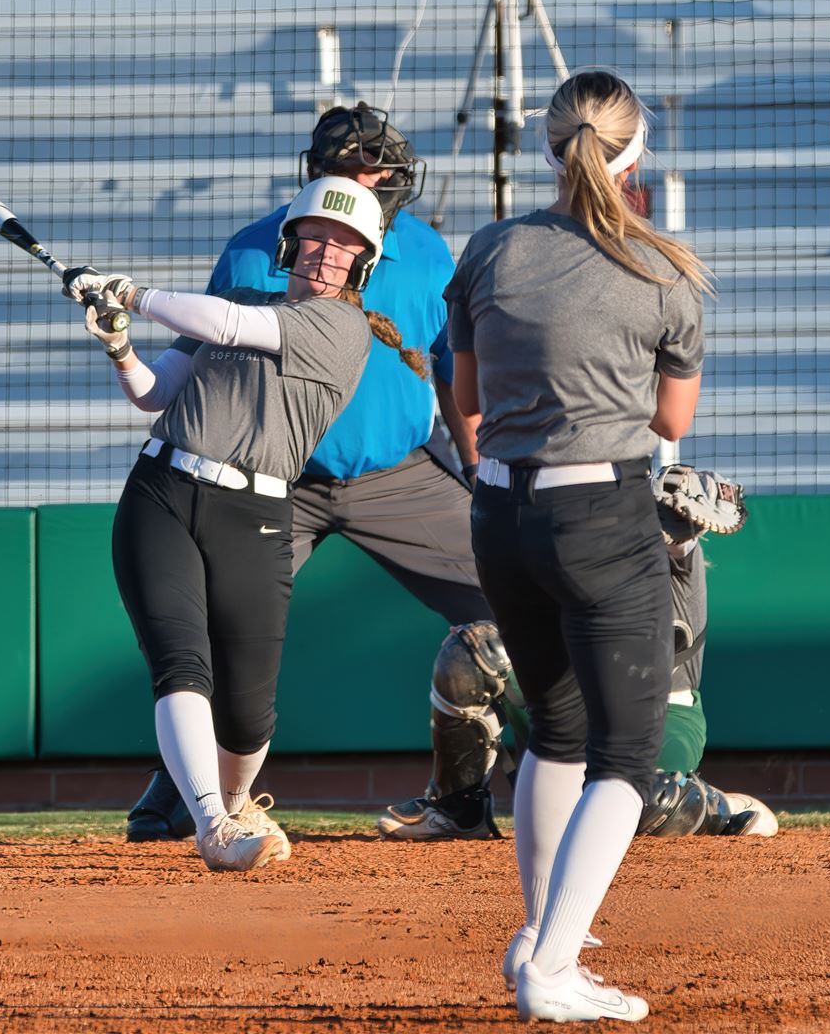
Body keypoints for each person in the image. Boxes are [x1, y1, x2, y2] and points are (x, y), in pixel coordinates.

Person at [124, 102, 529, 847]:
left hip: (397, 473)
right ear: (329, 177)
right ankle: (186, 792)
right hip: (275, 480)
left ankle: (524, 776)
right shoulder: (256, 249)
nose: (388, 180)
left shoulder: (425, 251)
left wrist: (479, 472)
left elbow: (450, 372)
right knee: (209, 637)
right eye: (373, 167)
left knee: (510, 597)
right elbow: (205, 353)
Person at [447, 68, 709, 1022]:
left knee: (554, 733)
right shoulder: (664, 267)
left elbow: (466, 402)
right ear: (637, 154)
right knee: (626, 756)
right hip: (601, 513)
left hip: (500, 516)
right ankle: (551, 968)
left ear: (548, 146)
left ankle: (541, 933)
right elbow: (671, 417)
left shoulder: (490, 248)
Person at [78, 175, 426, 872]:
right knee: (181, 663)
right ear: (288, 242)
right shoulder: (238, 296)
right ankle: (211, 824)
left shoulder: (342, 327)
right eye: (315, 236)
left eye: (345, 244)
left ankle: (234, 804)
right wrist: (120, 344)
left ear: (364, 263)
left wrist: (135, 295)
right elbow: (156, 394)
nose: (326, 252)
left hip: (256, 512)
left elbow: (232, 328)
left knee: (247, 712)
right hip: (162, 492)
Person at [636, 463, 778, 840]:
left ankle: (712, 806)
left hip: (665, 716)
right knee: (481, 663)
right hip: (583, 706)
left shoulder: (676, 553)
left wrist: (669, 516)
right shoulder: (579, 541)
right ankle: (463, 806)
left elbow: (677, 540)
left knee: (649, 799)